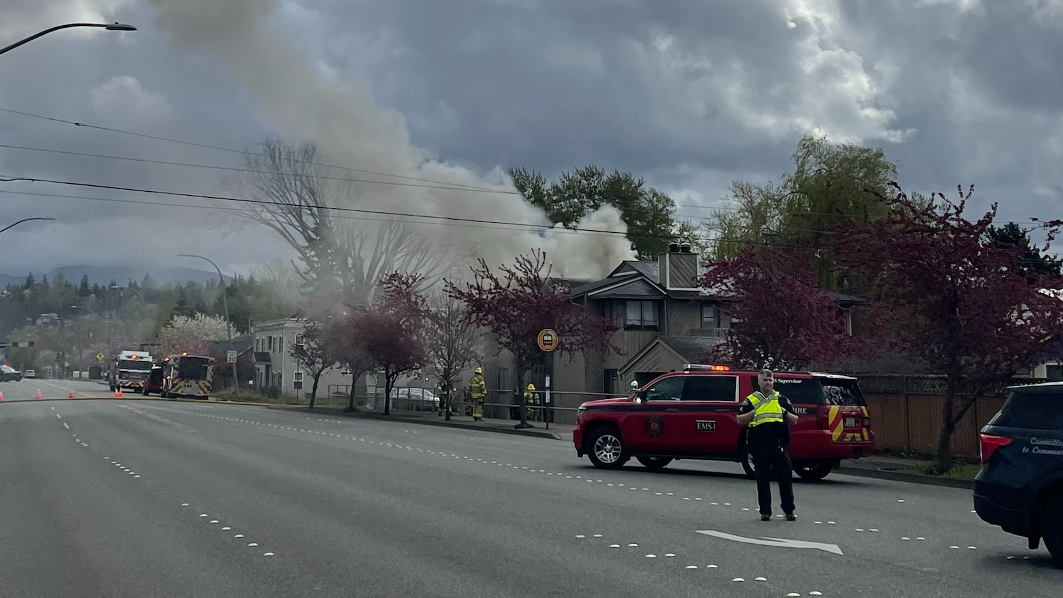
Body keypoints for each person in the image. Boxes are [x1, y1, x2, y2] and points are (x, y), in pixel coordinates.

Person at [737, 369, 799, 521]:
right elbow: (740, 420)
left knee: (785, 478)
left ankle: (789, 510)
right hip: (760, 444)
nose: (768, 383)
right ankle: (765, 511)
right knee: (762, 479)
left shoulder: (781, 399)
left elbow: (795, 419)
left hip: (778, 444)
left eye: (770, 380)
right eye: (765, 380)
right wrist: (754, 412)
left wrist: (784, 412)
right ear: (759, 382)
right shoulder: (751, 400)